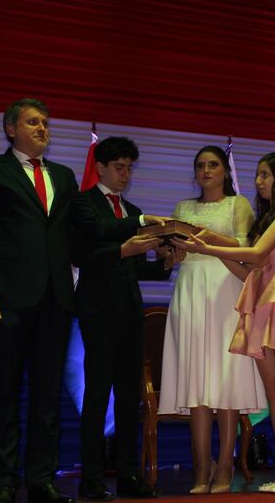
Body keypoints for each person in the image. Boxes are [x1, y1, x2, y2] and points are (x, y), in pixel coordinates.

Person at [0, 99, 163, 503]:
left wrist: (141, 226)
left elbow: (90, 229)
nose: (42, 129)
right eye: (32, 122)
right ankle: (4, 481)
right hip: (8, 298)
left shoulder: (63, 176)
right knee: (5, 394)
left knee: (47, 395)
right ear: (11, 129)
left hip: (56, 298)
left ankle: (42, 481)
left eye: (45, 123)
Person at [173, 152, 275, 494]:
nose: (259, 181)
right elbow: (250, 270)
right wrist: (211, 248)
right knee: (274, 391)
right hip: (260, 301)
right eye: (258, 174)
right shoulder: (266, 219)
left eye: (265, 175)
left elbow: (256, 255)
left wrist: (209, 247)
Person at [75, 136, 180, 501]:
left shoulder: (132, 210)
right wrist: (126, 243)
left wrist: (165, 262)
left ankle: (128, 474)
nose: (125, 174)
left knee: (127, 396)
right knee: (97, 394)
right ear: (100, 168)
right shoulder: (83, 203)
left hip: (130, 312)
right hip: (97, 310)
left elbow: (136, 269)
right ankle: (90, 478)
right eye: (119, 167)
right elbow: (84, 254)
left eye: (129, 168)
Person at [158, 146, 267, 494]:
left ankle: (225, 465)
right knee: (197, 382)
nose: (206, 171)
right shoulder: (182, 208)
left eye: (213, 165)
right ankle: (201, 468)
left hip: (225, 288)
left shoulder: (238, 204)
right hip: (190, 291)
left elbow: (244, 246)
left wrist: (203, 238)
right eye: (201, 166)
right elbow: (174, 254)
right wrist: (170, 252)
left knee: (226, 380)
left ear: (225, 171)